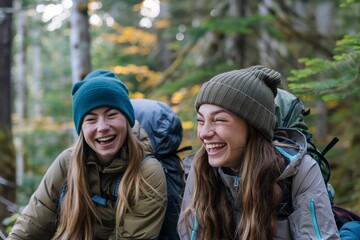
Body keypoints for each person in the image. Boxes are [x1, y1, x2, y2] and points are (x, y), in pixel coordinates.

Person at [178, 65, 339, 239]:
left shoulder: (299, 171)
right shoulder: (201, 169)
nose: (203, 133)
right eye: (200, 121)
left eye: (219, 120)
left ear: (253, 127)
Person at [7, 70, 167, 239]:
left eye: (112, 115)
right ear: (81, 127)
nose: (102, 127)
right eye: (91, 119)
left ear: (127, 120)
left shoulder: (147, 172)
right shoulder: (66, 163)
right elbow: (32, 224)